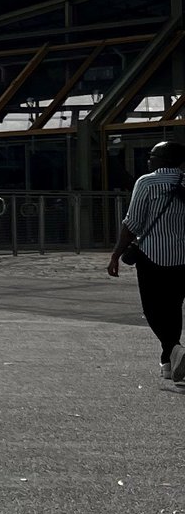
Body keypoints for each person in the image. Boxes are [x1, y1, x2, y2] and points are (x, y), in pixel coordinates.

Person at [108, 141, 185, 382]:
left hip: (153, 256)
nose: (148, 160)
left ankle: (174, 348)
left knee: (153, 308)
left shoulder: (147, 182)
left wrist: (115, 254)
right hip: (184, 257)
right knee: (173, 307)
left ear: (162, 159)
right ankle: (167, 362)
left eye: (152, 155)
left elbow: (132, 223)